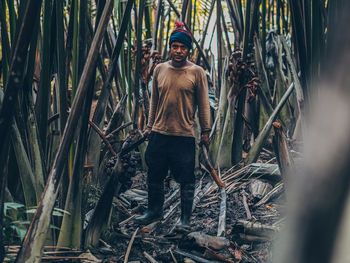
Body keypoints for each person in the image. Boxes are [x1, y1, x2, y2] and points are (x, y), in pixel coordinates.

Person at [134, 21, 211, 232]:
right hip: (160, 132)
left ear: (189, 50)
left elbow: (204, 104)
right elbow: (154, 101)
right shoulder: (160, 69)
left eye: (183, 47)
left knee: (186, 178)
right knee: (154, 173)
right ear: (170, 47)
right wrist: (149, 126)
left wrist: (205, 130)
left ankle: (185, 220)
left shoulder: (197, 72)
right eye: (175, 46)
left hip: (184, 134)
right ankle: (153, 211)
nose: (178, 51)